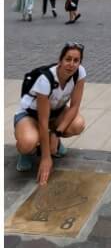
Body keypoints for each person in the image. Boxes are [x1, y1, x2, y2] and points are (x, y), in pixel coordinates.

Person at [14, 42, 87, 182]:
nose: (71, 64)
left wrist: (57, 133)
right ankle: (27, 152)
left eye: (76, 60)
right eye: (68, 59)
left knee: (78, 124)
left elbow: (74, 106)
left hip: (56, 113)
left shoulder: (79, 73)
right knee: (28, 142)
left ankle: (53, 140)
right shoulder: (45, 80)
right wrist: (46, 158)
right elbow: (42, 120)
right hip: (30, 115)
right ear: (60, 60)